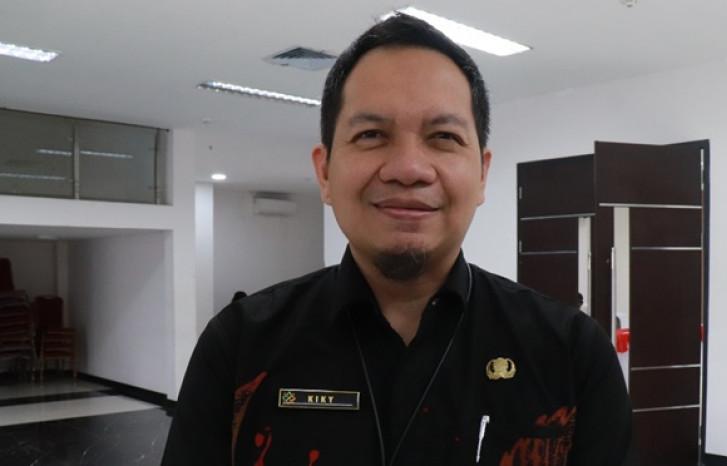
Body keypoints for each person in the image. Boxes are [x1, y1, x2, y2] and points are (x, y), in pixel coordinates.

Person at [162, 14, 632, 466]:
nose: (409, 169)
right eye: (371, 134)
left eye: (443, 136)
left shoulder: (570, 356)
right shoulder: (241, 348)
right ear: (324, 172)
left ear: (482, 174)